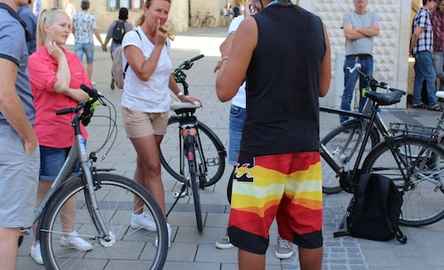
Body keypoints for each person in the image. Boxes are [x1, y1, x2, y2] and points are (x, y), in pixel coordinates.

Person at [215, 0, 331, 269]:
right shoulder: (318, 25)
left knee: (251, 237)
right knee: (309, 233)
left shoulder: (253, 26)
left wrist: (225, 57)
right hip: (306, 149)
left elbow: (224, 91)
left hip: (262, 150)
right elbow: (323, 87)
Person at [214, 0, 294, 260]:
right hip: (241, 109)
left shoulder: (285, 21)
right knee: (241, 172)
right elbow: (225, 48)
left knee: (279, 176)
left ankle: (284, 235)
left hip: (271, 111)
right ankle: (236, 226)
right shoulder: (240, 23)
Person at [121, 0, 200, 244]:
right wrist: (157, 44)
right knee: (154, 167)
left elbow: (166, 72)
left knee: (144, 163)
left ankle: (137, 215)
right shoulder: (132, 39)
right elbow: (144, 72)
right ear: (145, 10)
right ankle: (161, 224)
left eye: (166, 12)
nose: (163, 16)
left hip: (159, 111)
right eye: (158, 10)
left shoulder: (161, 40)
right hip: (137, 111)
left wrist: (180, 95)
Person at [27, 8, 94, 265]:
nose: (68, 29)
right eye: (63, 25)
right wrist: (63, 69)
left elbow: (87, 91)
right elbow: (57, 85)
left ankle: (68, 233)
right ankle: (37, 242)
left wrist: (70, 88)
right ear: (47, 27)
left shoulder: (72, 56)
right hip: (49, 134)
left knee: (70, 187)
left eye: (69, 25)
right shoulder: (37, 60)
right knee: (47, 191)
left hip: (76, 133)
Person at [0, 1, 39, 269]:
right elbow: (4, 94)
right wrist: (29, 136)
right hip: (10, 136)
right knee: (8, 229)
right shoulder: (10, 26)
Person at [339, 0, 380, 123]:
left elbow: (376, 31)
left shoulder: (373, 15)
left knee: (365, 91)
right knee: (348, 90)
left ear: (367, 2)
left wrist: (357, 29)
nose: (360, 3)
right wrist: (367, 31)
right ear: (354, 2)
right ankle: (344, 121)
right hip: (352, 58)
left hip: (367, 58)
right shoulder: (348, 16)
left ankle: (361, 120)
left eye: (362, 1)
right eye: (358, 1)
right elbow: (349, 35)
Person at [411, 0, 441, 110]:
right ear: (428, 1)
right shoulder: (424, 14)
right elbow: (417, 33)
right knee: (431, 76)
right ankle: (433, 103)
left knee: (420, 77)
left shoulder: (421, 13)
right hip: (423, 51)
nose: (436, 5)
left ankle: (416, 101)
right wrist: (412, 48)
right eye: (435, 2)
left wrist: (413, 50)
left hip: (421, 51)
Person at [72, 0, 105, 80]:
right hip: (89, 42)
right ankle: (88, 81)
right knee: (89, 63)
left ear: (81, 6)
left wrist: (76, 36)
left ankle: (79, 80)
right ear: (88, 6)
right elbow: (95, 31)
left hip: (78, 42)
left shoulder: (75, 16)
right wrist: (102, 43)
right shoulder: (91, 17)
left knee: (78, 63)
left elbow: (72, 29)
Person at [103, 7, 133, 89]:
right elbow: (132, 38)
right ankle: (122, 80)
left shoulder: (114, 23)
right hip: (124, 48)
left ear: (119, 14)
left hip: (114, 47)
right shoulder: (129, 25)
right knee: (123, 66)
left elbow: (109, 35)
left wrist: (104, 44)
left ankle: (113, 77)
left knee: (115, 64)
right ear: (127, 15)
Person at [432, 0, 444, 91]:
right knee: (438, 73)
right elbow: (437, 33)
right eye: (443, 4)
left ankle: (441, 99)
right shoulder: (434, 14)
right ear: (439, 4)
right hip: (437, 49)